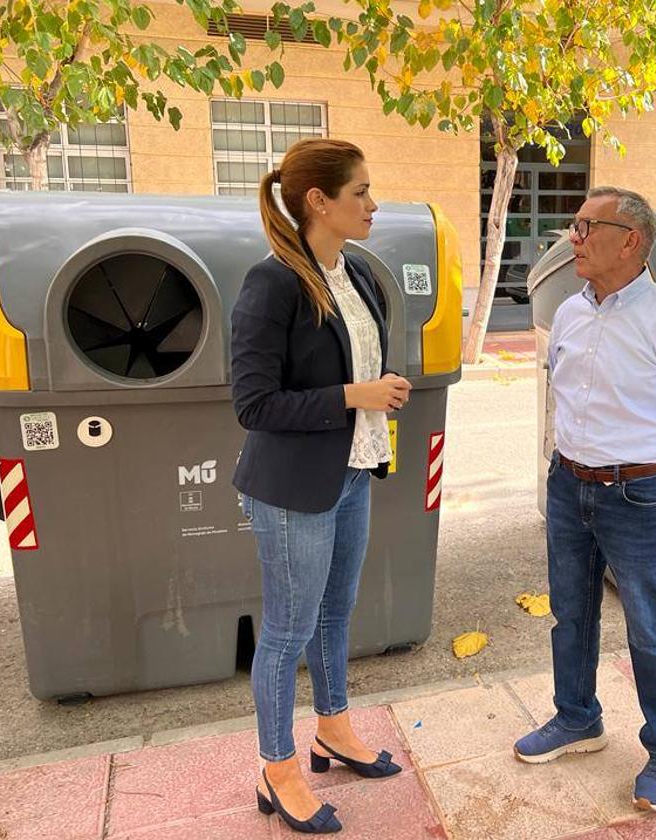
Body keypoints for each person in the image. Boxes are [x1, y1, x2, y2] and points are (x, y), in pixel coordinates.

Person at [513, 186, 656, 812]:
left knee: (650, 628)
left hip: (639, 494)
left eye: (586, 226)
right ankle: (577, 717)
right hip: (568, 484)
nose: (573, 237)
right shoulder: (572, 314)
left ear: (630, 240)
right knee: (570, 613)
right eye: (574, 225)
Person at [231, 138, 412, 835]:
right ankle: (276, 769)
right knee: (285, 632)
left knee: (335, 617)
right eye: (360, 191)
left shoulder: (358, 273)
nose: (372, 203)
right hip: (291, 491)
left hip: (352, 475)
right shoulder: (272, 282)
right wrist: (352, 393)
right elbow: (254, 405)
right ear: (318, 201)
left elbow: (361, 364)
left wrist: (371, 395)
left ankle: (332, 729)